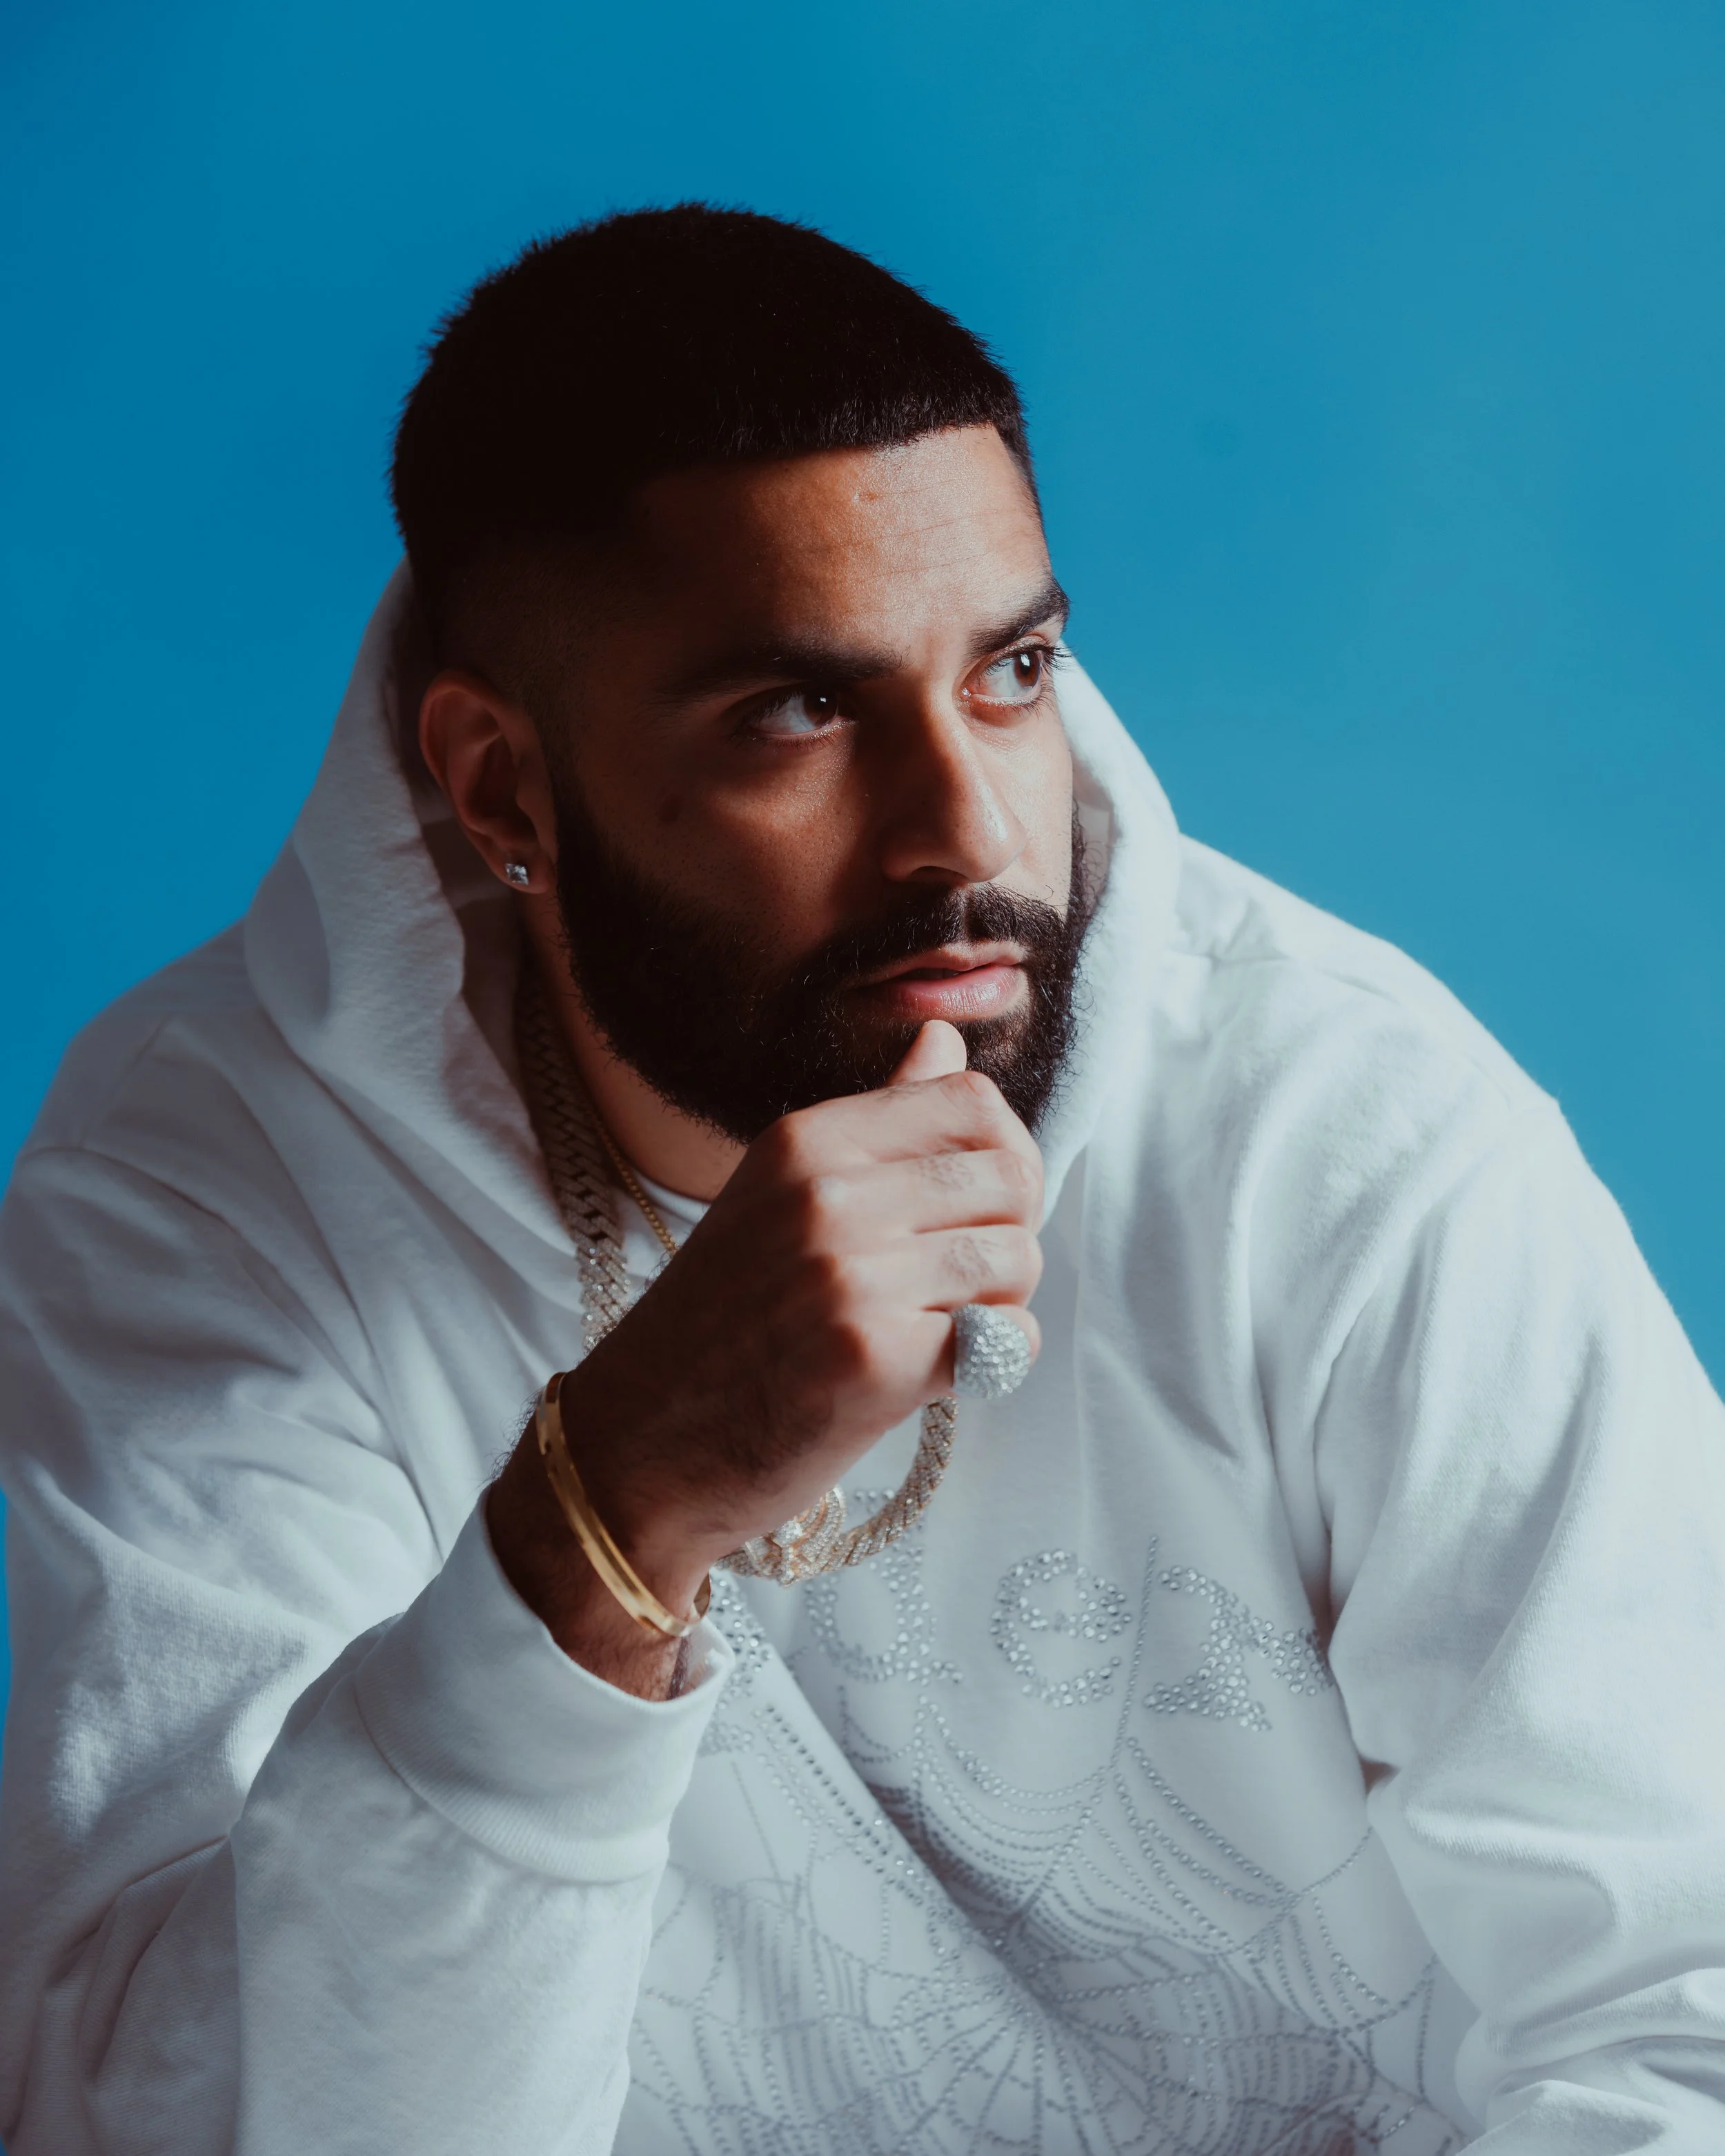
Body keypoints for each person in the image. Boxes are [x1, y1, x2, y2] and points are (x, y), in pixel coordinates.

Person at [1, 204, 1722, 2156]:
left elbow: (1685, 2016)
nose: (965, 832)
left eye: (1012, 670)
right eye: (797, 713)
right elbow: (170, 2128)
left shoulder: (1337, 1122)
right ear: (499, 788)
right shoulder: (213, 1189)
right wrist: (601, 1518)